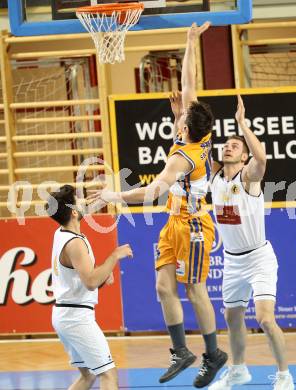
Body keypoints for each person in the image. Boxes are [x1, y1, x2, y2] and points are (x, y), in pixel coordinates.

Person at [87, 22, 227, 388]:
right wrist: (189, 40)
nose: (180, 108)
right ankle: (182, 351)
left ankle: (213, 355)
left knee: (195, 290)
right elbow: (189, 83)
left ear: (184, 128)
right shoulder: (198, 130)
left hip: (194, 225)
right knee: (164, 288)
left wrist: (114, 195)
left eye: (182, 115)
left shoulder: (183, 156)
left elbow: (152, 192)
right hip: (174, 222)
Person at [208, 96, 295, 390]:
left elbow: (262, 159)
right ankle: (238, 370)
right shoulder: (214, 177)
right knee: (232, 317)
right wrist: (180, 116)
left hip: (259, 258)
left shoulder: (248, 178)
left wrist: (242, 125)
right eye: (226, 144)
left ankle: (284, 375)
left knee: (265, 319)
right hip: (233, 261)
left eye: (235, 146)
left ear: (243, 156)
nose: (228, 147)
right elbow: (192, 144)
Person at [46, 184, 133, 390]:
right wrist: (114, 257)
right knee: (108, 374)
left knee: (88, 377)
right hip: (76, 318)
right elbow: (91, 281)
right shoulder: (75, 243)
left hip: (65, 313)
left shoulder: (61, 232)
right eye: (79, 201)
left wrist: (106, 197)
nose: (84, 203)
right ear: (74, 212)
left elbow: (87, 279)